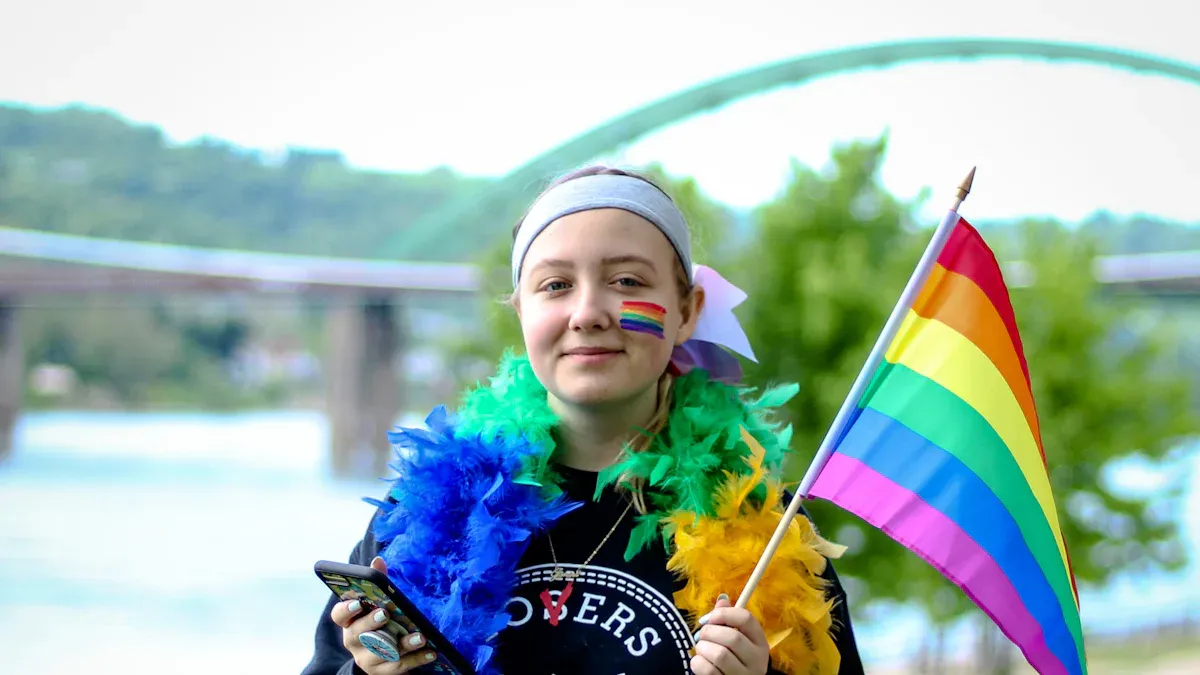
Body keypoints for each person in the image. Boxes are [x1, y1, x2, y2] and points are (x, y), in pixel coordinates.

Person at [302, 166, 865, 675]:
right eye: (555, 286)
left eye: (627, 282)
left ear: (688, 310)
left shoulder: (767, 533)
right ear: (522, 310)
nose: (589, 313)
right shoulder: (428, 511)